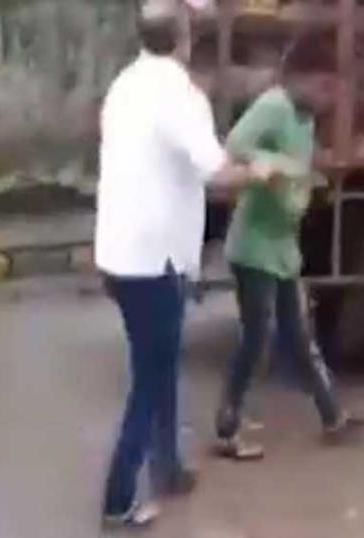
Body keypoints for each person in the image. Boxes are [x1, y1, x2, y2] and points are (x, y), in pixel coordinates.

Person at [96, 0, 269, 528]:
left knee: (160, 364)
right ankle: (118, 500)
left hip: (120, 254)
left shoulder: (124, 85)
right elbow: (215, 170)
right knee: (150, 381)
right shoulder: (180, 95)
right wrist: (258, 171)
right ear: (183, 38)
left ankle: (167, 468)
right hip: (154, 261)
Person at [214, 54, 364, 460]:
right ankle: (227, 428)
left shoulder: (305, 117)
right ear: (299, 78)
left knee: (299, 335)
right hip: (254, 246)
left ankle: (332, 416)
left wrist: (310, 176)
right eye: (322, 86)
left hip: (282, 247)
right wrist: (274, 165)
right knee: (255, 338)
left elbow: (297, 167)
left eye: (332, 90)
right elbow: (236, 144)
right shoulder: (274, 105)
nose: (327, 97)